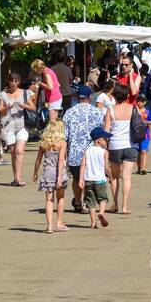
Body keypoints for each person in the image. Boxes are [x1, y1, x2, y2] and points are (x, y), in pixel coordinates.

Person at [63, 85, 101, 213]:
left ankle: (78, 202)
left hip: (74, 152)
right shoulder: (96, 112)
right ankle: (87, 203)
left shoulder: (69, 112)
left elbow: (65, 135)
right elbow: (100, 133)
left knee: (76, 178)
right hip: (91, 152)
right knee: (89, 179)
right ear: (89, 97)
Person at [104, 83, 139, 214]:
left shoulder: (110, 110)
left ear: (114, 96)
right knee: (127, 177)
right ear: (126, 95)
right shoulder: (133, 108)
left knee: (114, 177)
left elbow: (107, 131)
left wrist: (105, 148)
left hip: (115, 146)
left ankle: (115, 204)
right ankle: (125, 206)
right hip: (130, 145)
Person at [0, 72, 33, 186]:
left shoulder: (25, 93)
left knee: (19, 151)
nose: (14, 84)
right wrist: (6, 108)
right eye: (12, 81)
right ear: (9, 81)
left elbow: (33, 107)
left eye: (17, 81)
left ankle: (19, 177)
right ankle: (15, 177)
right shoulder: (3, 95)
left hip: (22, 125)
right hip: (9, 126)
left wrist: (25, 106)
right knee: (12, 152)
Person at [32, 117, 68, 233]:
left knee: (49, 200)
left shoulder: (44, 143)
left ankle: (49, 226)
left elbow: (38, 160)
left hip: (48, 171)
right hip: (59, 172)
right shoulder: (62, 143)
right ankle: (59, 222)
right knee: (60, 197)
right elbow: (61, 160)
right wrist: (59, 178)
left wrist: (35, 173)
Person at [80, 128, 113, 229]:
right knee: (103, 199)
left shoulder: (87, 150)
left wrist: (81, 179)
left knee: (90, 202)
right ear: (99, 140)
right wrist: (111, 176)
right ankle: (102, 212)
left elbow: (83, 165)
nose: (107, 140)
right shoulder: (104, 152)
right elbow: (106, 167)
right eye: (105, 139)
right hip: (100, 180)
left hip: (88, 180)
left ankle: (93, 223)